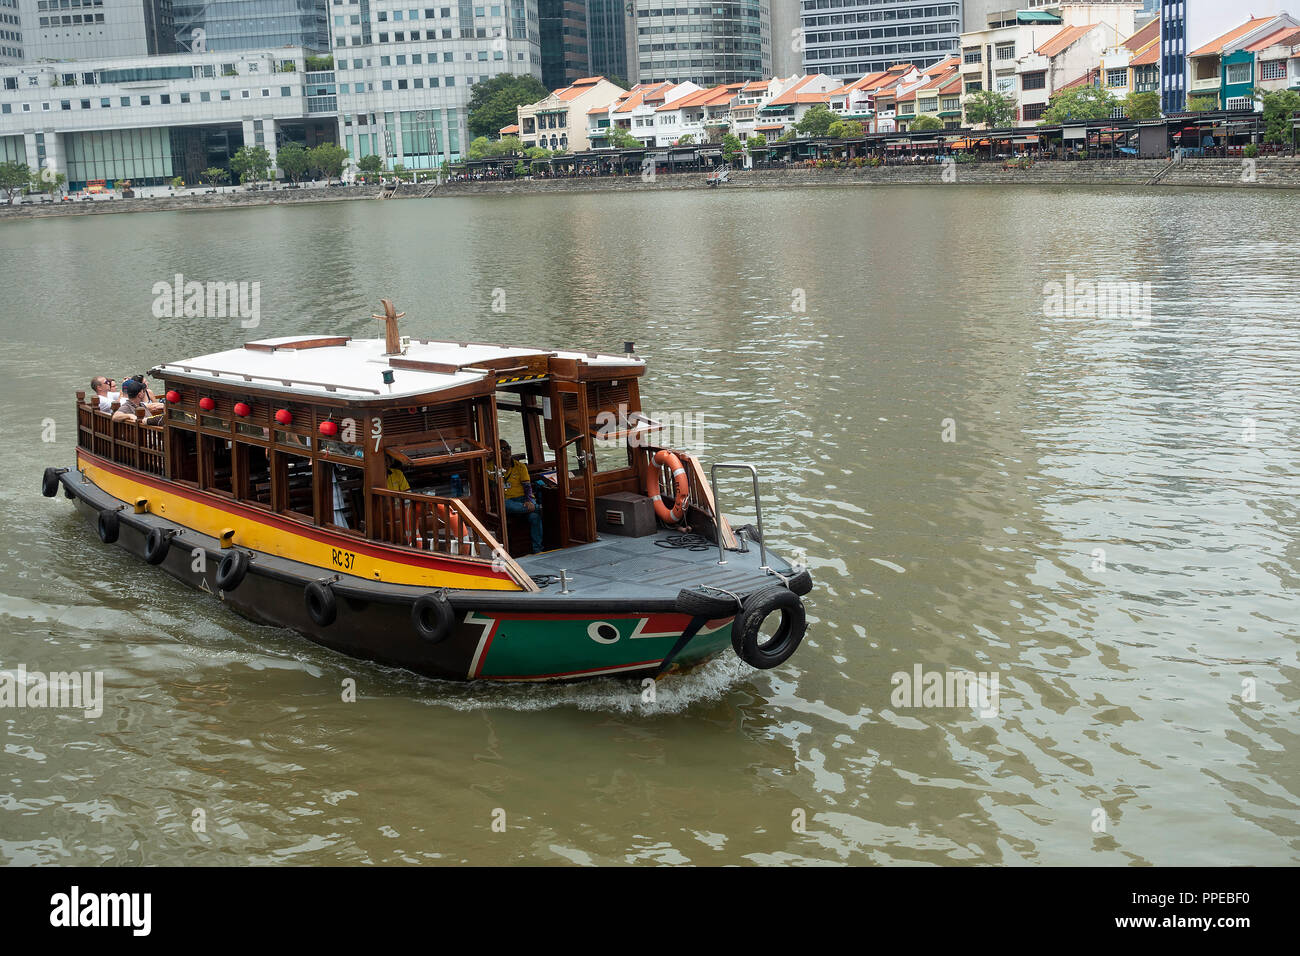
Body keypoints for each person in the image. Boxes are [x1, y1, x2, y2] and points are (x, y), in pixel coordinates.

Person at [496, 440, 542, 553]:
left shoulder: (520, 467)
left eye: (508, 448)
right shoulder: (491, 467)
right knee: (504, 504)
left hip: (522, 500)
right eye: (503, 449)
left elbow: (527, 487)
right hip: (506, 501)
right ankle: (537, 507)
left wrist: (529, 501)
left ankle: (538, 550)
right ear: (496, 452)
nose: (507, 451)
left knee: (534, 518)